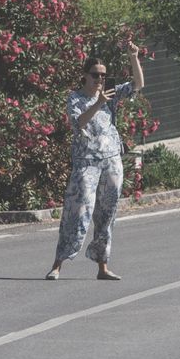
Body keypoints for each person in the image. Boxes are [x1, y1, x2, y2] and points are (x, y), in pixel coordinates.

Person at [45, 42, 144, 281]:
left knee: (107, 214)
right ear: (85, 76)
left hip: (111, 161)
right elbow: (79, 122)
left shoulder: (110, 95)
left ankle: (103, 266)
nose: (100, 78)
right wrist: (99, 103)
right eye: (95, 75)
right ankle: (58, 264)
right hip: (86, 163)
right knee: (77, 212)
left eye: (103, 75)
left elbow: (138, 85)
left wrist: (133, 57)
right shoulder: (76, 98)